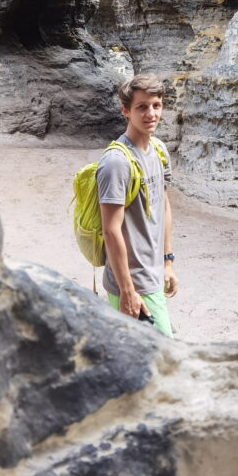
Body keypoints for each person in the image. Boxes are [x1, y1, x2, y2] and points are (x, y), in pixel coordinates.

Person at [97, 73, 178, 335]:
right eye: (141, 107)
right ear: (126, 111)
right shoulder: (116, 163)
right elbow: (111, 229)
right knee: (164, 358)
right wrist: (127, 291)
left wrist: (167, 262)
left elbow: (163, 206)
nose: (151, 113)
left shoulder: (159, 151)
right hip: (132, 282)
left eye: (156, 105)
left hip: (153, 275)